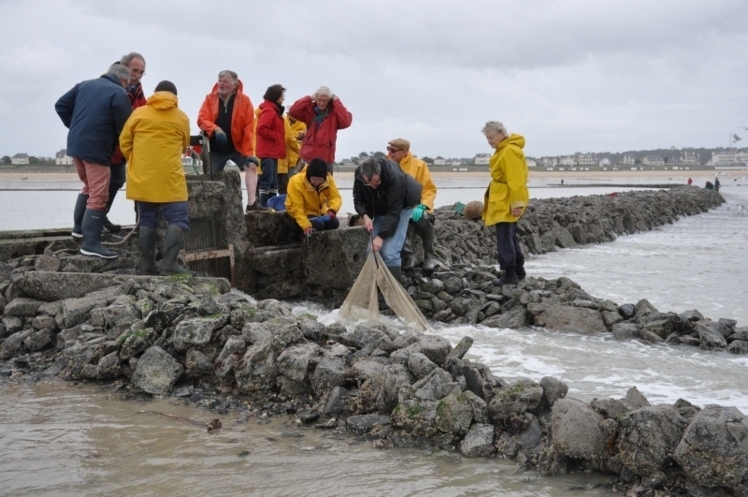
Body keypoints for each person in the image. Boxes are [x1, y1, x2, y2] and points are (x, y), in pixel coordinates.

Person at [55, 63, 132, 259]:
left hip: (75, 145)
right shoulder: (119, 93)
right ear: (123, 80)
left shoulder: (84, 85)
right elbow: (124, 129)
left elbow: (61, 106)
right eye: (128, 84)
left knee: (88, 187)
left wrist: (76, 127)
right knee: (99, 194)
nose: (127, 87)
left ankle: (79, 229)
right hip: (96, 149)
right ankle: (91, 244)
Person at [119, 80, 191, 275]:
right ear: (175, 97)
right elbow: (184, 146)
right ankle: (169, 264)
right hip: (170, 177)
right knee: (178, 218)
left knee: (148, 219)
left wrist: (138, 161)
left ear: (155, 93)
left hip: (143, 176)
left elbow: (124, 142)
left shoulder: (139, 113)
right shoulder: (181, 117)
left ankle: (147, 265)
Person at [197, 70, 261, 210]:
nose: (221, 84)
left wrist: (248, 154)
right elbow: (202, 119)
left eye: (225, 81)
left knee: (251, 167)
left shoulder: (245, 101)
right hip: (215, 149)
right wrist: (215, 129)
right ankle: (210, 208)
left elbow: (248, 129)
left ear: (234, 84)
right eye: (219, 80)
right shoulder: (209, 99)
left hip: (236, 148)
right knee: (210, 177)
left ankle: (252, 204)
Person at [353, 157, 423, 281]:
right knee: (372, 250)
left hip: (400, 208)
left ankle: (393, 289)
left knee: (390, 252)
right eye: (368, 184)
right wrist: (365, 216)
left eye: (377, 183)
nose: (373, 187)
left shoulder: (394, 177)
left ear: (380, 174)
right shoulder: (359, 174)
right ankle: (377, 286)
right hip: (381, 209)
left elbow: (394, 212)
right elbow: (358, 199)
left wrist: (381, 237)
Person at [103, 52, 148, 233]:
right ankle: (91, 222)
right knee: (98, 184)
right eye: (134, 70)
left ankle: (100, 215)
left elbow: (143, 113)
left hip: (123, 148)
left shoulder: (138, 91)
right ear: (124, 68)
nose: (137, 75)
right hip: (106, 145)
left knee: (117, 180)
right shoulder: (110, 85)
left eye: (141, 72)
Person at [480, 121, 529, 285]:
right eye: (487, 138)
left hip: (506, 200)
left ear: (501, 134)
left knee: (505, 237)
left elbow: (516, 180)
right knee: (510, 235)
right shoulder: (506, 149)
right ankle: (519, 270)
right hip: (503, 198)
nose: (489, 141)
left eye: (491, 137)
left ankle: (509, 273)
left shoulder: (508, 151)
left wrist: (516, 204)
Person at [387, 138, 437, 272]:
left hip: (417, 207)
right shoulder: (385, 164)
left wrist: (422, 206)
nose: (390, 153)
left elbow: (429, 189)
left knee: (423, 220)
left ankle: (429, 256)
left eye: (393, 150)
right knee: (395, 222)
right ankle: (408, 257)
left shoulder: (419, 165)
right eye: (388, 149)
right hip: (397, 208)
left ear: (404, 152)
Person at [289, 86, 352, 175]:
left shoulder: (335, 113)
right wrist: (309, 98)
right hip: (307, 156)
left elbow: (346, 122)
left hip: (326, 157)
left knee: (325, 187)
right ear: (316, 98)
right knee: (300, 184)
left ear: (329, 100)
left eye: (325, 100)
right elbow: (293, 111)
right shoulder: (309, 111)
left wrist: (337, 101)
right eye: (319, 100)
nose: (321, 103)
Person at [285, 158, 342, 239]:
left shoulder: (328, 178)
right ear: (308, 174)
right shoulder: (295, 181)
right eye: (314, 180)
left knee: (334, 223)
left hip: (318, 210)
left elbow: (335, 197)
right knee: (318, 225)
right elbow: (297, 209)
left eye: (320, 180)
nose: (317, 183)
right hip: (301, 211)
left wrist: (332, 210)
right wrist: (306, 226)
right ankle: (295, 232)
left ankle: (321, 239)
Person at [255, 84, 287, 208]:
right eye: (282, 96)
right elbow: (261, 128)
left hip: (272, 151)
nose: (283, 98)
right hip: (268, 151)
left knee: (273, 181)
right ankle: (263, 206)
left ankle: (272, 206)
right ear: (277, 96)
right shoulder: (270, 110)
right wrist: (276, 136)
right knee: (267, 180)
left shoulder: (273, 110)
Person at [276, 114, 305, 194]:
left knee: (294, 181)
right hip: (283, 158)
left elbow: (306, 134)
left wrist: (290, 134)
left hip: (296, 158)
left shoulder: (303, 123)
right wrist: (297, 135)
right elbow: (284, 135)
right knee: (282, 183)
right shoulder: (283, 121)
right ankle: (283, 201)